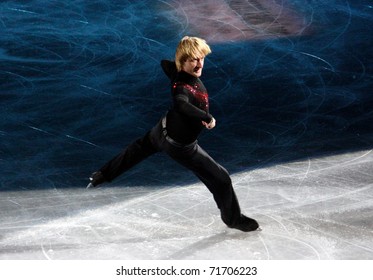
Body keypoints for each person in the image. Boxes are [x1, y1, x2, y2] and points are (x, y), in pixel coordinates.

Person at [87, 36, 259, 232]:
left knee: (136, 150)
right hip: (181, 147)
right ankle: (233, 219)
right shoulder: (182, 87)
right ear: (183, 61)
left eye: (201, 58)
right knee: (221, 178)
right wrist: (207, 117)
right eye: (193, 59)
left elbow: (165, 64)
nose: (199, 64)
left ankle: (101, 175)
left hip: (161, 130)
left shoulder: (177, 73)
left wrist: (184, 46)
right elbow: (181, 104)